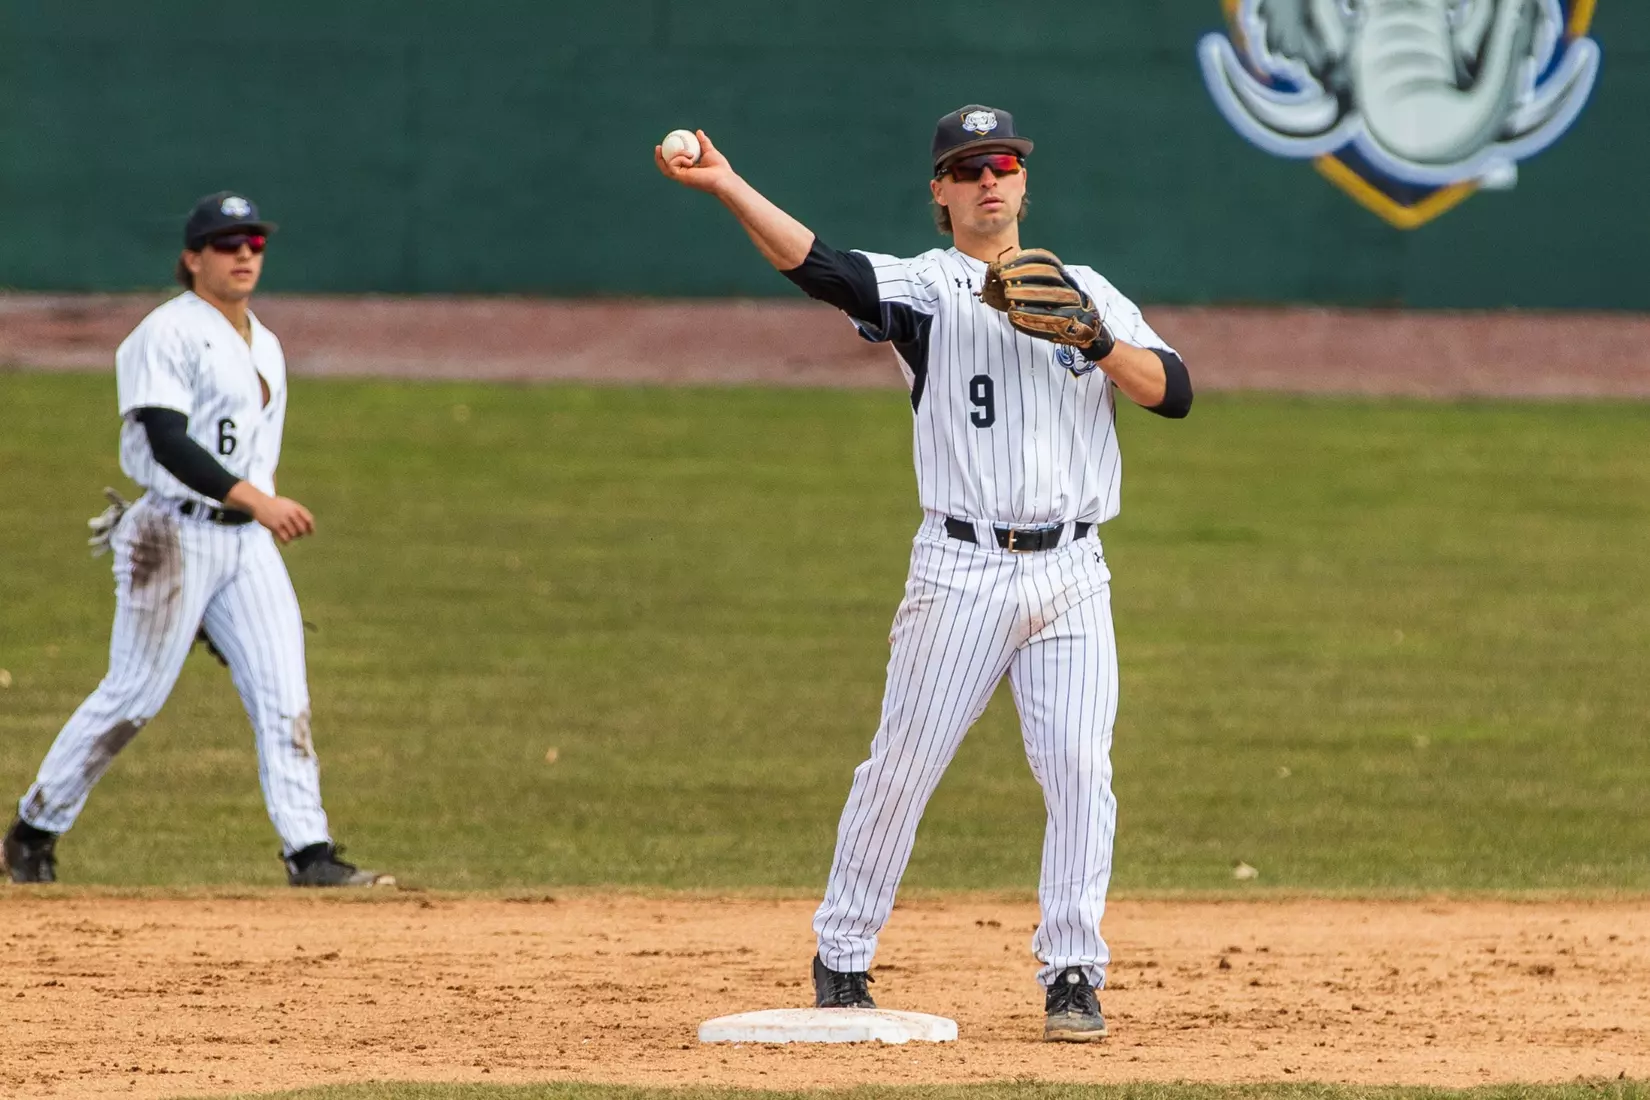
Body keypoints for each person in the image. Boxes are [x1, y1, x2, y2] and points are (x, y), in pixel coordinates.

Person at [656, 105, 1192, 1041]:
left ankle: (1072, 969)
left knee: (1079, 772)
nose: (990, 179)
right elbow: (821, 267)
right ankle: (844, 951)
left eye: (1004, 164)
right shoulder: (930, 290)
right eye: (969, 168)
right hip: (960, 570)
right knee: (903, 766)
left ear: (1025, 183)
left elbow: (1174, 394)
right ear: (941, 195)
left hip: (1074, 572)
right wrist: (727, 186)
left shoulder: (1088, 290)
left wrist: (1095, 341)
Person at [1, 192, 391, 889]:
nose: (243, 254)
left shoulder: (262, 340)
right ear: (192, 258)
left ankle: (311, 854)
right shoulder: (167, 333)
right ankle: (32, 831)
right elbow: (166, 439)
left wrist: (254, 509)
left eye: (254, 243)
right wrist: (256, 500)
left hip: (247, 546)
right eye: (225, 243)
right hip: (173, 537)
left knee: (283, 693)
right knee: (133, 696)